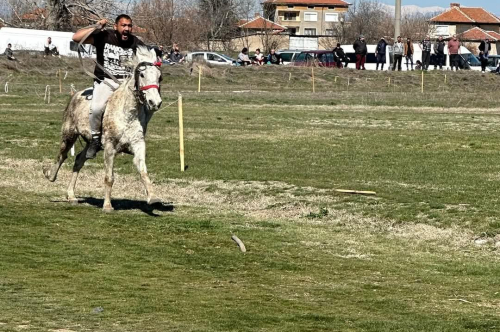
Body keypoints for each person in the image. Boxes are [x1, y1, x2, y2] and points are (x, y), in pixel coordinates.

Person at [72, 14, 145, 159]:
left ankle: (133, 139)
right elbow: (76, 37)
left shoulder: (135, 42)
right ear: (115, 26)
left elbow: (148, 54)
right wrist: (96, 27)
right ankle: (95, 139)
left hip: (126, 84)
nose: (127, 29)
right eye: (123, 25)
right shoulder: (104, 36)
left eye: (129, 26)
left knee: (145, 107)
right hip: (106, 81)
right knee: (97, 108)